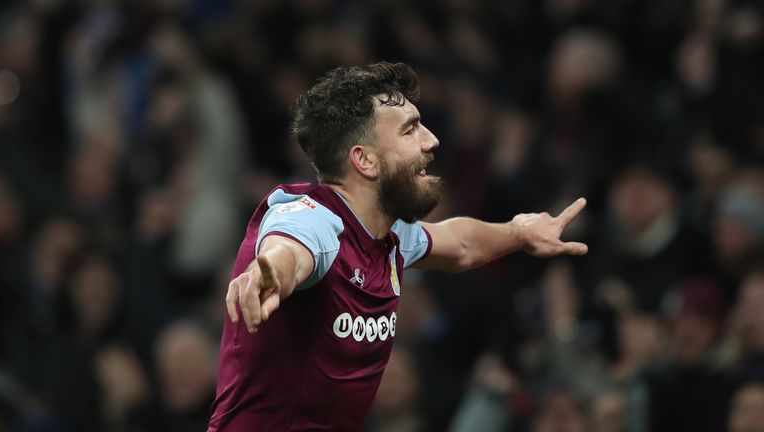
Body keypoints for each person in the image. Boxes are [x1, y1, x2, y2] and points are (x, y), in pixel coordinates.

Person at [208, 62, 588, 431]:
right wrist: (271, 271)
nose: (432, 141)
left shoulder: (388, 234)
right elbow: (292, 247)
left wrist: (519, 232)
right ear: (365, 160)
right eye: (410, 131)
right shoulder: (312, 218)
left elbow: (461, 244)